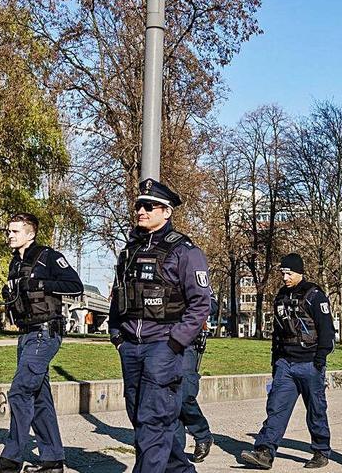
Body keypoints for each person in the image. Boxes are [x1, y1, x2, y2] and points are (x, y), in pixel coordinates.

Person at [108, 179, 212, 473]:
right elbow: (119, 295)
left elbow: (201, 303)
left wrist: (175, 343)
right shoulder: (129, 251)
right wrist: (116, 335)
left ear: (166, 212)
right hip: (130, 346)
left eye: (149, 206)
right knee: (141, 419)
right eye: (139, 205)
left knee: (153, 422)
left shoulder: (184, 251)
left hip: (163, 346)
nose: (141, 210)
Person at [0, 214, 84, 473]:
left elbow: (75, 285)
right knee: (39, 396)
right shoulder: (15, 263)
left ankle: (11, 459)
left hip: (45, 332)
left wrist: (40, 283)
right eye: (9, 231)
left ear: (30, 234)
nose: (10, 236)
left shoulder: (48, 256)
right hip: (26, 333)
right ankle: (52, 460)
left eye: (15, 231)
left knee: (20, 391)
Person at [240, 253, 334, 470]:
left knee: (316, 409)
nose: (285, 277)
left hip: (310, 363)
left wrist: (319, 360)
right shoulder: (281, 296)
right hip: (285, 364)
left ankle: (321, 451)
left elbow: (327, 330)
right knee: (276, 408)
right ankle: (264, 452)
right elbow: (277, 332)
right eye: (283, 273)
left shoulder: (314, 295)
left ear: (299, 272)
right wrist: (276, 361)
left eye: (289, 273)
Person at [174, 303, 215, 463]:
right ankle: (176, 450)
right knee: (170, 396)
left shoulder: (192, 277)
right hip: (160, 342)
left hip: (187, 343)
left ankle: (202, 434)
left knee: (184, 394)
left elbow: (212, 304)